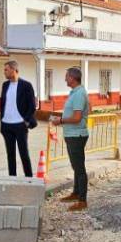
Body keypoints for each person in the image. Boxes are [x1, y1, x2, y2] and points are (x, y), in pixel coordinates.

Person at [50, 67, 90, 211]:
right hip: (72, 134)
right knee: (76, 166)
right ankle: (76, 193)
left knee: (79, 168)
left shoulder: (79, 93)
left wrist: (60, 121)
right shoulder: (75, 92)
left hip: (77, 135)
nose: (65, 79)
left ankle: (82, 200)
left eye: (66, 76)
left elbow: (77, 117)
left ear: (73, 78)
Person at [0, 60, 37, 177]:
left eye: (6, 69)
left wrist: (25, 121)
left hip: (20, 125)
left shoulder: (26, 85)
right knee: (10, 155)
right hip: (6, 125)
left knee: (24, 154)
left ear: (14, 70)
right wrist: (2, 121)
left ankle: (29, 178)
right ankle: (12, 178)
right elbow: (3, 103)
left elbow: (32, 105)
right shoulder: (5, 85)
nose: (4, 72)